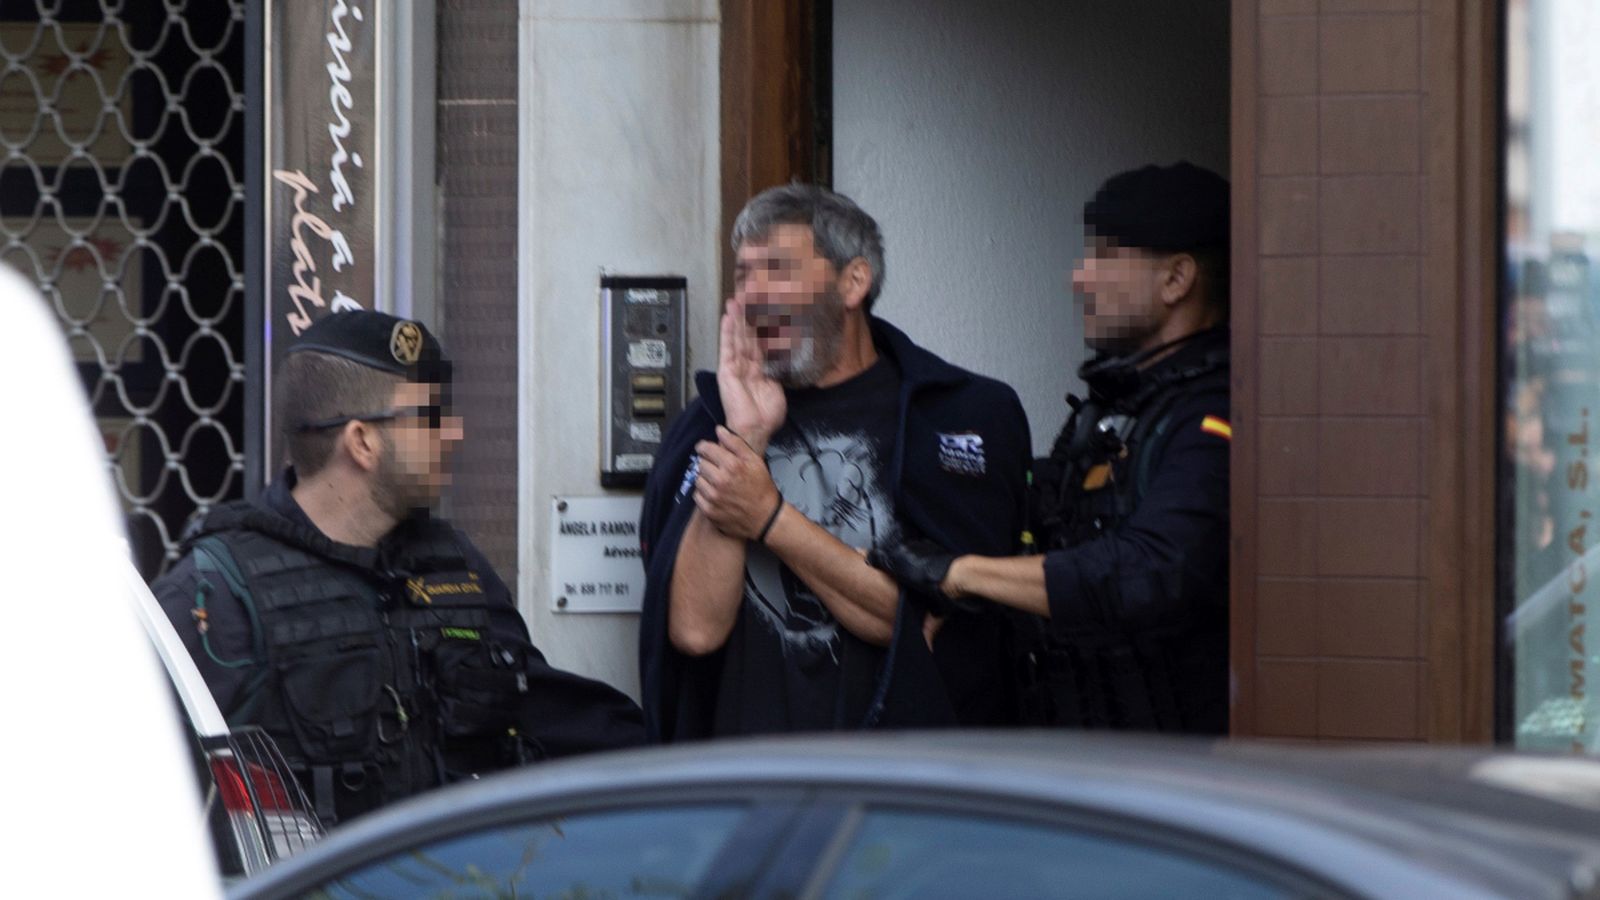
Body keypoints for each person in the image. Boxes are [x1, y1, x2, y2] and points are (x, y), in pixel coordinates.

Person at [152, 310, 644, 825]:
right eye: (431, 417)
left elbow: (550, 715)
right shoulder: (218, 594)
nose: (454, 432)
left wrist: (687, 775)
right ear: (362, 441)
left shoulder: (452, 566)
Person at [637, 184, 1032, 742]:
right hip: (743, 786)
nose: (753, 294)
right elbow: (696, 632)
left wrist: (770, 518)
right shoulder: (703, 425)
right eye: (744, 275)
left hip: (904, 789)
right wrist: (744, 436)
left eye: (777, 268)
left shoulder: (958, 416)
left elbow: (925, 624)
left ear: (854, 281)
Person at [870, 162, 1232, 733]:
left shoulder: (1216, 414)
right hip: (1085, 757)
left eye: (1105, 258)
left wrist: (961, 574)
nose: (1079, 279)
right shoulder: (1113, 409)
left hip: (1178, 774)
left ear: (1176, 279)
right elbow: (1048, 529)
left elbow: (1154, 568)